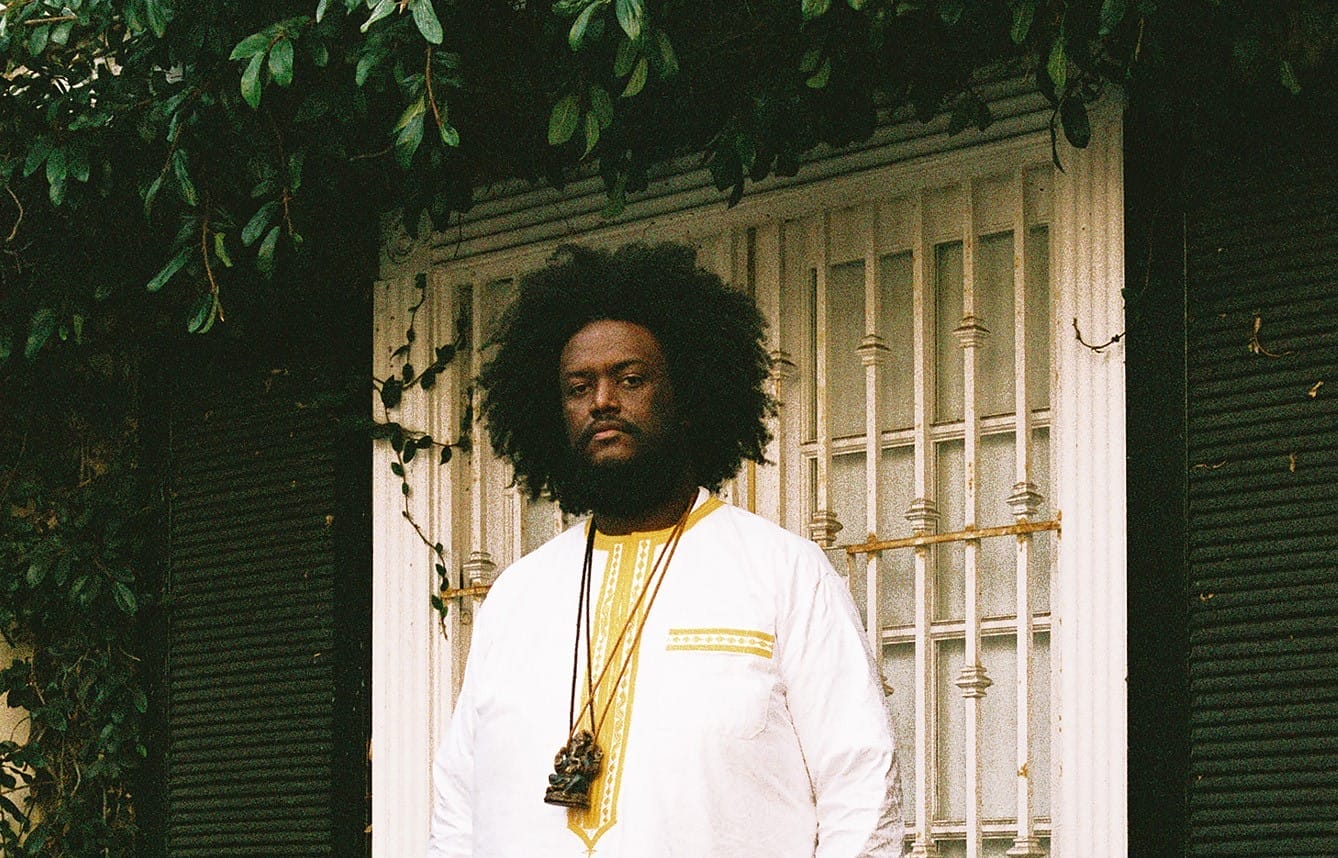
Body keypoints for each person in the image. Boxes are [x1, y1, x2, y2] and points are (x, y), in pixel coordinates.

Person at [427, 242, 903, 857]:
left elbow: (861, 790)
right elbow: (457, 811)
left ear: (688, 394)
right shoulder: (517, 595)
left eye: (630, 379)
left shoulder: (782, 572)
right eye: (579, 386)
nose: (602, 401)